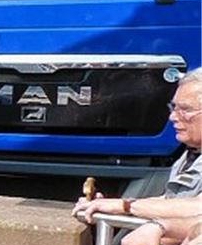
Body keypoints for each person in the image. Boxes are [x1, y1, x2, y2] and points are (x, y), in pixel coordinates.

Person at [72, 68, 202, 220]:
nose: (173, 117)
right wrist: (109, 206)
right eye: (174, 107)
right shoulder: (190, 154)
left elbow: (197, 208)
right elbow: (171, 203)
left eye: (185, 110)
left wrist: (126, 206)